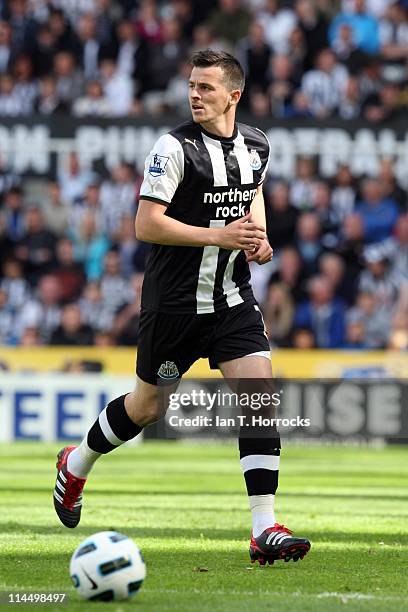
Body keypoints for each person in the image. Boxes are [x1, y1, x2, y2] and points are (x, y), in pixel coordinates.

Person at [52, 49, 310, 566]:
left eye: (206, 88)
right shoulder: (173, 148)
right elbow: (146, 225)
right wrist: (220, 234)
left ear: (233, 95)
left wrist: (257, 239)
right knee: (147, 408)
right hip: (173, 305)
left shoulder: (257, 144)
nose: (195, 95)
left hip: (232, 298)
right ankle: (76, 463)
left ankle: (265, 528)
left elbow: (251, 192)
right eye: (192, 86)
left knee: (259, 395)